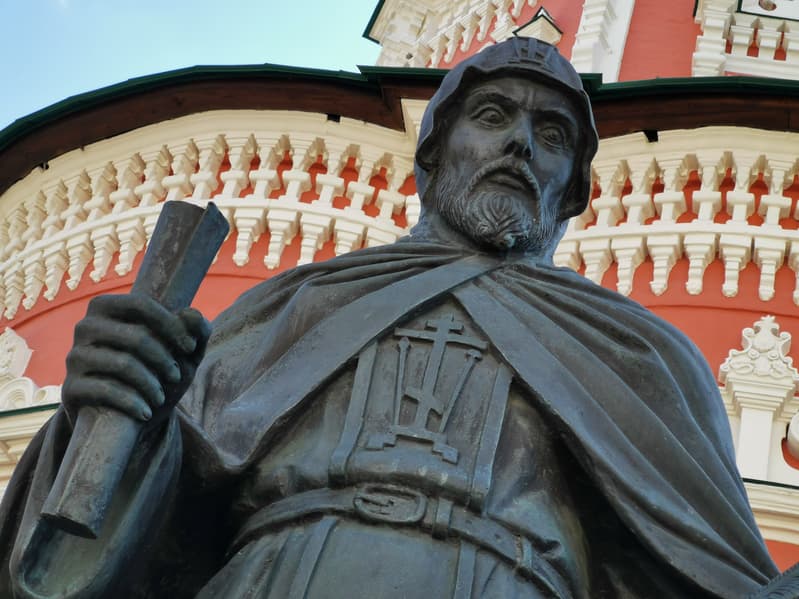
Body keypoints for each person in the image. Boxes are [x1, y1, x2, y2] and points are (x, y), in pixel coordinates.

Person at [0, 37, 781, 598]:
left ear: (572, 191)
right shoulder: (300, 300)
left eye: (550, 135)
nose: (518, 144)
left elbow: (709, 572)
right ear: (432, 153)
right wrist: (122, 402)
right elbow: (158, 512)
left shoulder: (635, 352)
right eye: (491, 115)